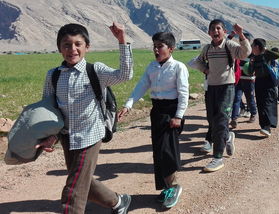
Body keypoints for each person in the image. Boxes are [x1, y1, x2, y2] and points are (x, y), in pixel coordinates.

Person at [36, 23, 133, 214]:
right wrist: (51, 136)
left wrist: (122, 40)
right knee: (81, 179)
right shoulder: (53, 76)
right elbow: (50, 110)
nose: (72, 49)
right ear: (59, 49)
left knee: (73, 190)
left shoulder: (95, 70)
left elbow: (125, 75)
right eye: (66, 45)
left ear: (87, 46)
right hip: (67, 136)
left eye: (78, 44)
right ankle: (117, 201)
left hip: (90, 135)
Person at [118, 32, 188, 209]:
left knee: (167, 150)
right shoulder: (152, 67)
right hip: (157, 111)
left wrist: (178, 116)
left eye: (160, 46)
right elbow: (141, 86)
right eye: (154, 46)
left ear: (170, 49)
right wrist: (128, 105)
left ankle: (174, 186)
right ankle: (165, 187)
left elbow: (183, 93)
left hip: (172, 112)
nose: (156, 49)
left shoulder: (179, 67)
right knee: (158, 151)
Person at [192, 19, 251, 172]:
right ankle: (228, 136)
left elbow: (245, 53)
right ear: (209, 32)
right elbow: (198, 61)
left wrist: (241, 35)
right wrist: (205, 70)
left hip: (227, 87)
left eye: (218, 28)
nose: (215, 31)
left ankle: (218, 157)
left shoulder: (229, 45)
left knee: (220, 120)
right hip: (211, 88)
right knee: (212, 119)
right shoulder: (207, 49)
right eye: (212, 29)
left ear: (224, 32)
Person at [248, 38, 279, 137]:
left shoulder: (267, 55)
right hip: (259, 82)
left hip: (269, 82)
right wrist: (251, 63)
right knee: (260, 104)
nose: (251, 47)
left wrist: (265, 49)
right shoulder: (253, 57)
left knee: (268, 103)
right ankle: (263, 125)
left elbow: (277, 55)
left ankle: (267, 127)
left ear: (257, 47)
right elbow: (249, 72)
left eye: (253, 46)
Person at [230, 32, 257, 128]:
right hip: (238, 80)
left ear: (248, 41)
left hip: (249, 80)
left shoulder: (253, 54)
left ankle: (253, 113)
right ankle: (234, 119)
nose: (242, 41)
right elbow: (226, 44)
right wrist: (231, 36)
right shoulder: (237, 52)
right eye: (240, 40)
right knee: (236, 99)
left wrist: (254, 73)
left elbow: (256, 67)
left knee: (250, 98)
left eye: (244, 40)